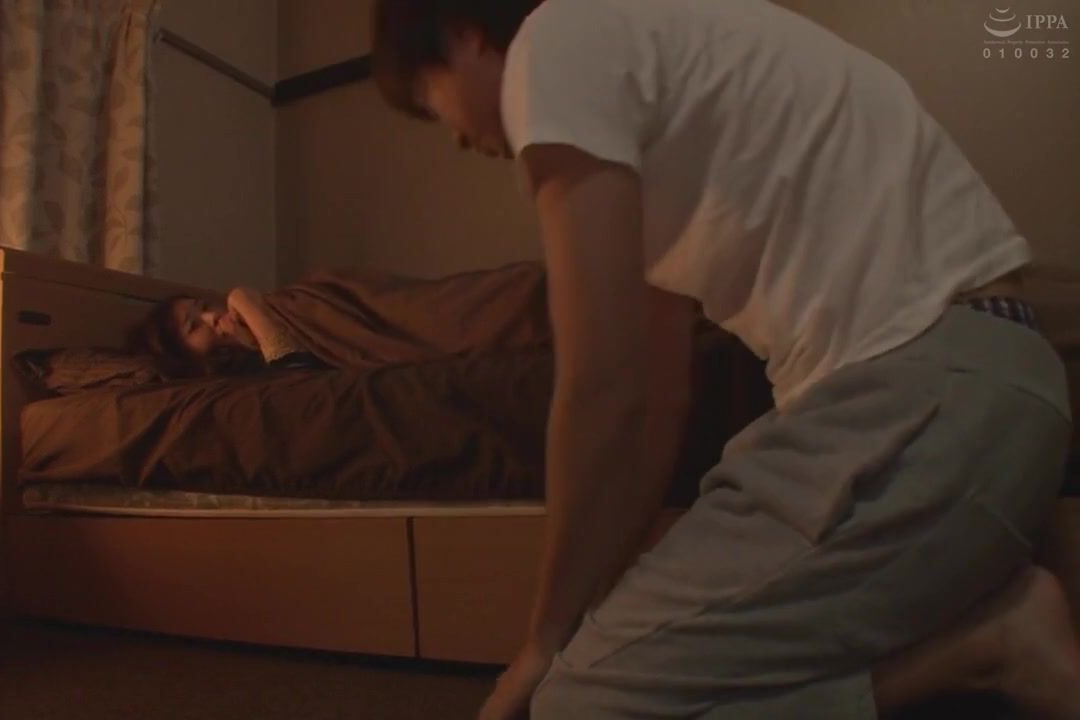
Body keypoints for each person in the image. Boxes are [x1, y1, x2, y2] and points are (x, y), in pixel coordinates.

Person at [372, 1, 1080, 719]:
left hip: (923, 396)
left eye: (430, 104)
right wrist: (600, 618)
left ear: (462, 35)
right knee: (602, 677)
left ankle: (982, 651)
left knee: (580, 705)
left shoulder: (553, 38)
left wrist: (544, 643)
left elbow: (605, 390)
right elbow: (655, 407)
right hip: (993, 383)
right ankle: (990, 633)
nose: (455, 137)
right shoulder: (650, 60)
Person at [130, 287, 327, 378]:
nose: (211, 316)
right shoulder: (242, 377)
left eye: (205, 306)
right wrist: (243, 300)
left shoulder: (267, 313)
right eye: (193, 326)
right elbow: (307, 383)